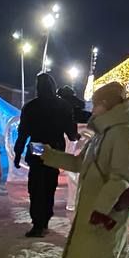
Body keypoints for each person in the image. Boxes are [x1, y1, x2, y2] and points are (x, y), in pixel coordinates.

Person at [36, 82, 129, 258]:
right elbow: (79, 163)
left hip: (107, 212)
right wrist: (50, 156)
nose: (91, 108)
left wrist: (101, 209)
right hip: (97, 209)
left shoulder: (123, 133)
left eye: (96, 103)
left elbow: (121, 177)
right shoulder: (103, 133)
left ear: (107, 105)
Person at [14, 73, 79, 238]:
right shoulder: (63, 106)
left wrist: (17, 153)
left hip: (36, 148)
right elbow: (71, 134)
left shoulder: (30, 107)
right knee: (49, 187)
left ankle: (37, 223)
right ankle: (45, 222)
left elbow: (22, 134)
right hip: (55, 150)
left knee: (36, 187)